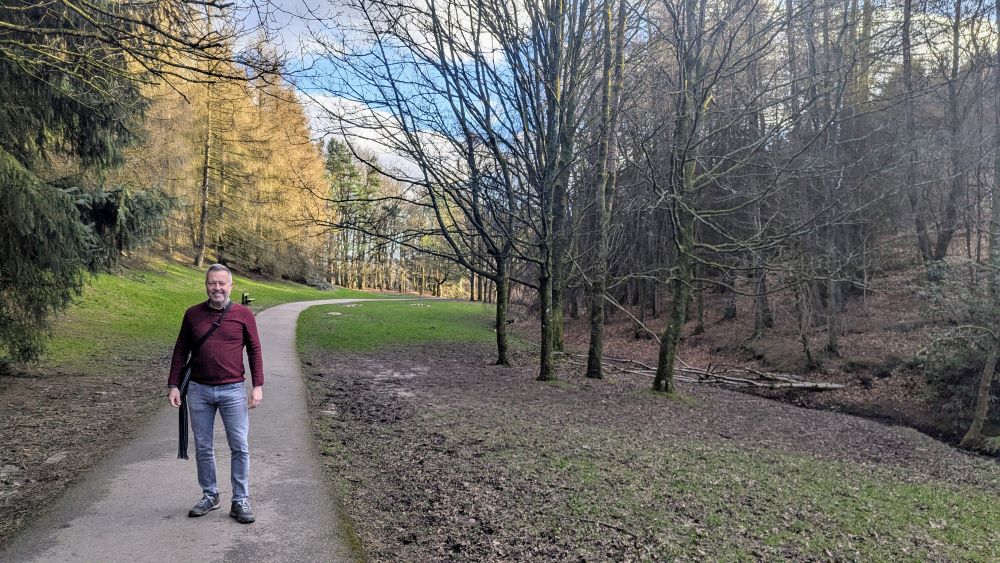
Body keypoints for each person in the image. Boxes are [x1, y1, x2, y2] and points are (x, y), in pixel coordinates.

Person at [167, 263, 264, 524]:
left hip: (233, 389)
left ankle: (240, 500)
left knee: (240, 447)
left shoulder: (244, 315)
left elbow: (254, 351)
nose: (217, 288)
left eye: (222, 283)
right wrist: (174, 385)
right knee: (203, 447)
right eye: (212, 283)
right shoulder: (192, 315)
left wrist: (257, 386)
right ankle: (210, 495)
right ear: (206, 285)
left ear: (231, 286)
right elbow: (180, 351)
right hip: (198, 390)